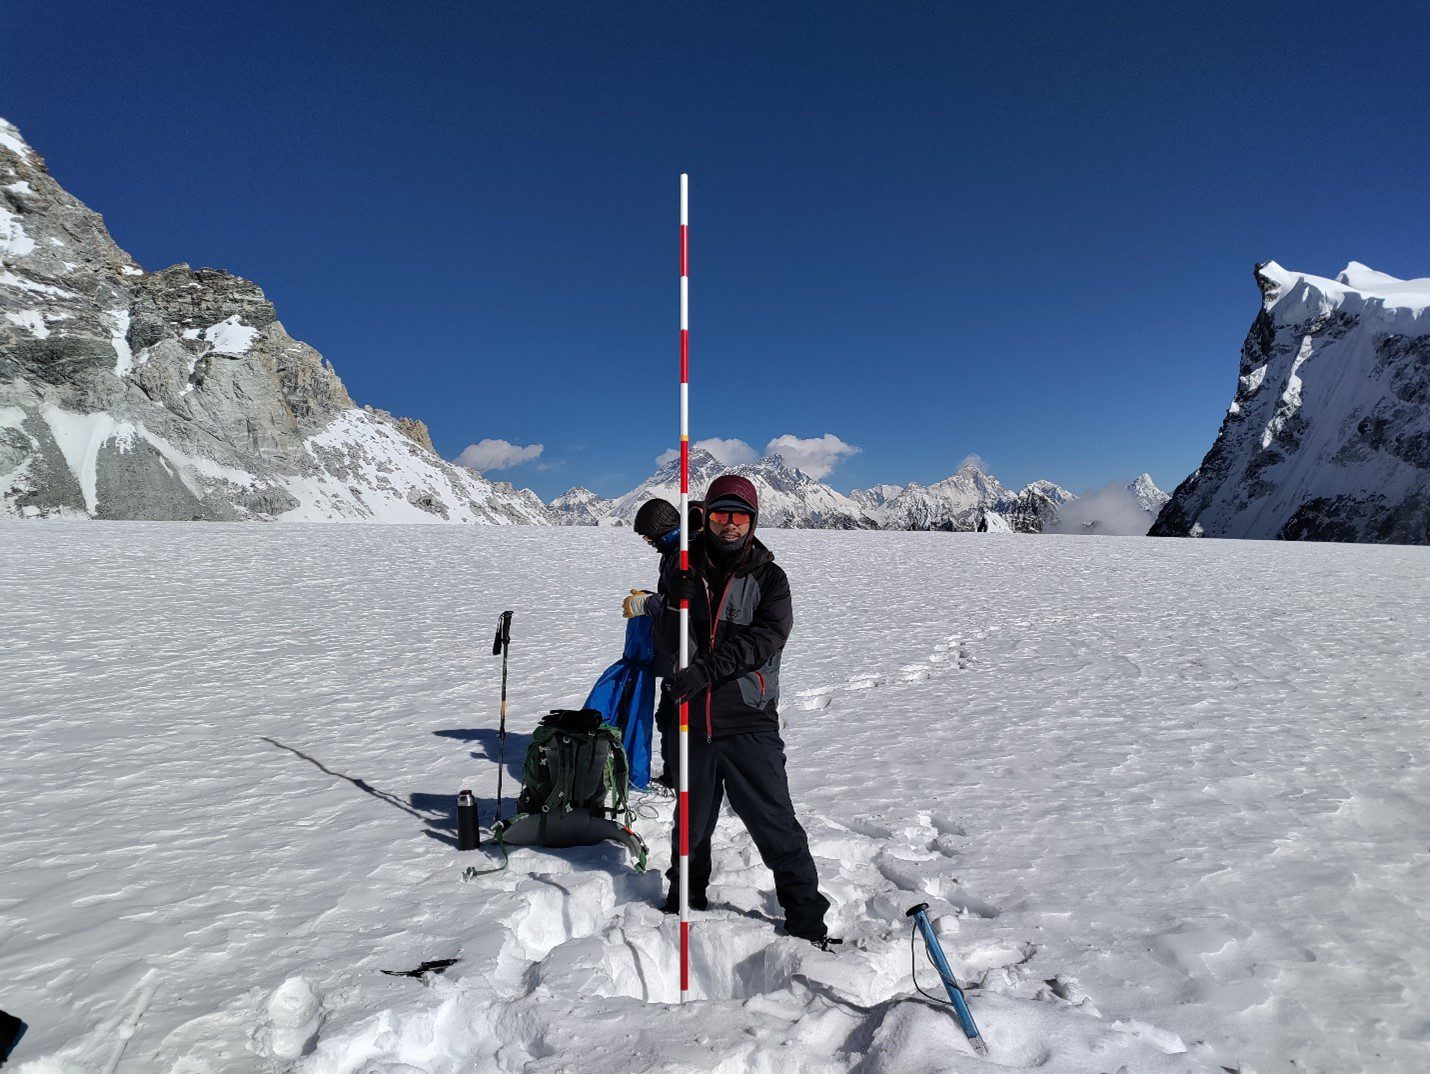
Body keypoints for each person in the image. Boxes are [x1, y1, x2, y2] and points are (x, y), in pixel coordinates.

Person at [625, 475, 836, 947]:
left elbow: (765, 641)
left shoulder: (770, 578)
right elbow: (666, 651)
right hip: (690, 722)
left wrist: (705, 672)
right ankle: (683, 902)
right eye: (720, 515)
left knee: (775, 824)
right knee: (691, 826)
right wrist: (671, 606)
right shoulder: (680, 567)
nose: (729, 525)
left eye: (739, 516)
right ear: (709, 516)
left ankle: (807, 924)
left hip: (748, 721)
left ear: (753, 520)